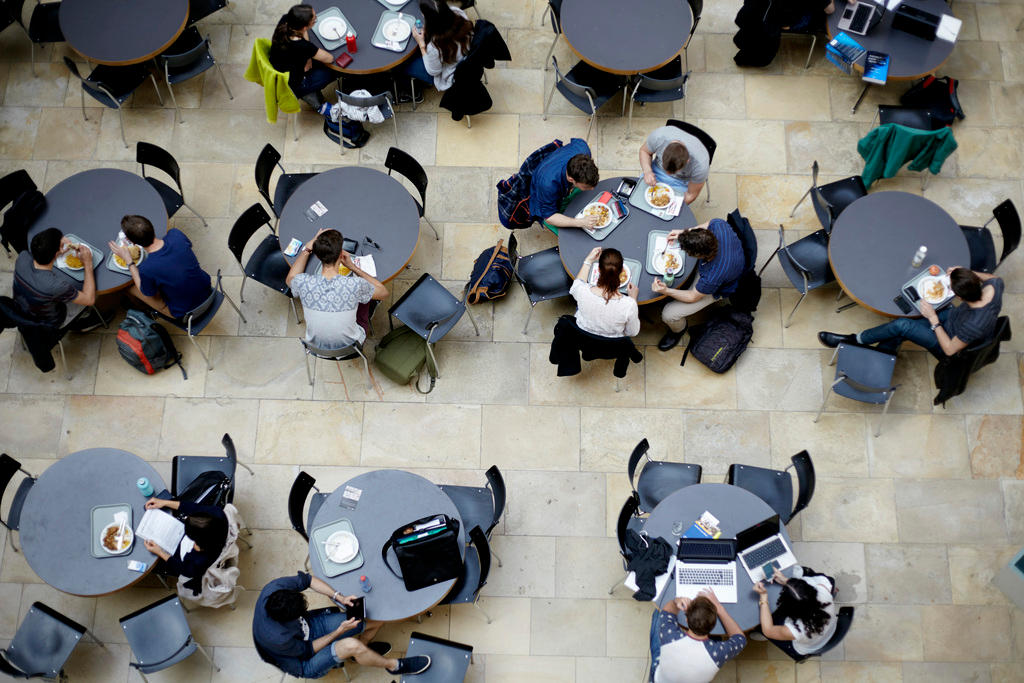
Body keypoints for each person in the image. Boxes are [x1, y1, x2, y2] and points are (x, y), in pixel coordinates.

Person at [253, 571, 431, 678]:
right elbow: (307, 650)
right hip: (303, 661)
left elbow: (308, 580)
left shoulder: (273, 590)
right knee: (350, 644)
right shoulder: (277, 637)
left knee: (376, 619)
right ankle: (394, 666)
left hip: (307, 627)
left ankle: (362, 650)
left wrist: (339, 597)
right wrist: (339, 631)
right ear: (287, 619)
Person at [818, 267, 1004, 357]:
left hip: (947, 338)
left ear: (960, 298)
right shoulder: (993, 287)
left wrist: (933, 320)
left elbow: (949, 350)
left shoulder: (974, 324)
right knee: (903, 322)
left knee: (902, 324)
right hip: (953, 316)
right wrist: (965, 273)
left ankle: (853, 340)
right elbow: (994, 277)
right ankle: (882, 353)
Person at [269, 5, 370, 145]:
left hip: (281, 70)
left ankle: (315, 100)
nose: (316, 19)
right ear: (305, 27)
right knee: (334, 71)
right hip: (295, 83)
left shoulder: (286, 20)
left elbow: (304, 41)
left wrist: (308, 57)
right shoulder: (302, 46)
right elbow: (329, 58)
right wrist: (308, 53)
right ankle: (318, 104)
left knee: (316, 65)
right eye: (314, 20)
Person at [285, 228, 388, 349]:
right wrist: (353, 267)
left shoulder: (304, 283)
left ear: (317, 256)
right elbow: (383, 292)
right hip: (352, 347)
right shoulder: (355, 285)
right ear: (341, 255)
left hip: (315, 347)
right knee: (367, 299)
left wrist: (307, 248)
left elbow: (290, 279)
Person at [651, 219, 745, 351]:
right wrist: (685, 234)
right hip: (725, 263)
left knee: (669, 314)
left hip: (718, 287)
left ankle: (678, 330)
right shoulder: (719, 226)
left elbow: (692, 297)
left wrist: (666, 291)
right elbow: (707, 224)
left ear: (699, 255)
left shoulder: (713, 276)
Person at [109, 215, 212, 320]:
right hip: (208, 290)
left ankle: (147, 314)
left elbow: (147, 293)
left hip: (187, 313)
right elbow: (188, 245)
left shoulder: (147, 268)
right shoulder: (176, 234)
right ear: (152, 227)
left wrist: (129, 261)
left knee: (129, 288)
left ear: (132, 242)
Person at [650, 590, 746, 683]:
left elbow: (667, 611)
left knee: (657, 613)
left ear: (686, 620)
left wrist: (677, 601)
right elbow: (740, 639)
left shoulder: (669, 635)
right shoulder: (718, 652)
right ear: (713, 626)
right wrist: (719, 608)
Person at [12, 228, 96, 329]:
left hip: (21, 309)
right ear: (56, 253)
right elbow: (89, 299)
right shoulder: (57, 285)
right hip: (47, 323)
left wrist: (57, 250)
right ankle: (81, 322)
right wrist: (88, 264)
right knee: (86, 291)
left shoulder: (22, 256)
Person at [143, 497, 228, 595]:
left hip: (184, 561)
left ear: (195, 540)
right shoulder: (217, 514)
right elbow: (194, 508)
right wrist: (164, 502)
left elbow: (185, 570)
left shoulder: (199, 560)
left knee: (153, 562)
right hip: (207, 544)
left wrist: (160, 552)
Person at [753, 566, 838, 658]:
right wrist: (787, 581)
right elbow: (821, 583)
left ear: (789, 609)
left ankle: (759, 630)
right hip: (829, 629)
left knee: (764, 622)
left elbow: (768, 630)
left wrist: (763, 597)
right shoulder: (822, 591)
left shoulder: (797, 631)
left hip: (805, 647)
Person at [529, 138, 600, 234]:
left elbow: (577, 141)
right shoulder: (548, 185)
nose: (592, 189)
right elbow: (549, 217)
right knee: (570, 234)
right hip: (543, 196)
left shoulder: (583, 149)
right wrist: (581, 222)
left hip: (558, 175)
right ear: (571, 180)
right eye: (586, 187)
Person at [403, 0, 473, 95]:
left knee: (404, 65)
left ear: (430, 20)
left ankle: (414, 93)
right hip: (463, 55)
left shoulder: (435, 46)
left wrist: (421, 45)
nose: (422, 16)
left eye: (424, 15)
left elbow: (433, 71)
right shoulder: (458, 13)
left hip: (449, 74)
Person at [570, 247, 640, 338]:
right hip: (611, 345)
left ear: (598, 270)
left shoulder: (582, 291)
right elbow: (632, 332)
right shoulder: (629, 305)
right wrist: (633, 299)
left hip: (583, 338)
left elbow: (577, 284)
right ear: (622, 271)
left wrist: (588, 260)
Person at [639, 126, 711, 205]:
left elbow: (691, 195)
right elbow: (644, 151)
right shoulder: (659, 137)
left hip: (681, 181)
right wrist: (647, 171)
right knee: (638, 196)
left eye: (673, 171)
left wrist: (673, 206)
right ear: (664, 151)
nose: (668, 174)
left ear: (688, 161)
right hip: (656, 170)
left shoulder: (700, 164)